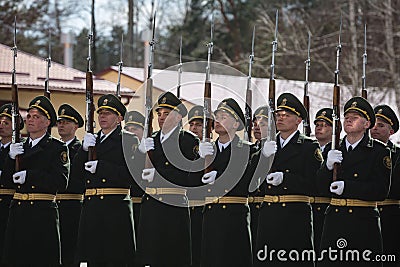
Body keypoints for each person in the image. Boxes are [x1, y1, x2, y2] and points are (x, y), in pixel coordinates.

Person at [317, 97, 391, 267]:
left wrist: (348, 187)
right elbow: (319, 187)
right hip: (334, 221)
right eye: (346, 116)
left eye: (355, 116)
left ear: (367, 124)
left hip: (362, 223)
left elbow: (380, 190)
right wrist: (326, 167)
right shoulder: (333, 148)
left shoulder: (378, 151)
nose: (348, 119)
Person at [253, 93, 322, 267]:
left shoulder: (308, 146)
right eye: (278, 115)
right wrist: (261, 156)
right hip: (268, 215)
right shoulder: (267, 145)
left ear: (298, 120)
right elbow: (250, 180)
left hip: (294, 216)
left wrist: (286, 179)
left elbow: (315, 184)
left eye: (287, 115)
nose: (281, 118)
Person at [1, 95, 69, 267]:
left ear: (47, 123)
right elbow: (6, 181)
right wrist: (9, 158)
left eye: (36, 117)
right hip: (18, 212)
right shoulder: (19, 146)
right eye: (29, 116)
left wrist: (29, 176)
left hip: (41, 213)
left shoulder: (56, 147)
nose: (30, 120)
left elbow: (61, 181)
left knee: (40, 259)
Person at [136, 91, 202, 267]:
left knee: (172, 258)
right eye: (159, 114)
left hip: (173, 207)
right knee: (149, 259)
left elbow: (191, 177)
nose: (161, 117)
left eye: (167, 113)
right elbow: (133, 175)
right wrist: (140, 154)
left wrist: (158, 175)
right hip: (150, 205)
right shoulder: (151, 140)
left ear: (179, 116)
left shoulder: (187, 141)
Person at [74, 94, 138, 266]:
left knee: (115, 257)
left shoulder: (128, 140)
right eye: (100, 112)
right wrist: (83, 149)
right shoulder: (91, 140)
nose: (102, 116)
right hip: (92, 207)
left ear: (119, 118)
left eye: (108, 113)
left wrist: (101, 167)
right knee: (94, 258)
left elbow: (132, 175)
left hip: (115, 208)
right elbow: (75, 175)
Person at [199, 98, 259, 267]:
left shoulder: (246, 149)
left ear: (235, 124)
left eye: (223, 117)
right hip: (211, 216)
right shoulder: (208, 149)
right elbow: (190, 183)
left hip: (234, 216)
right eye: (216, 116)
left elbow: (247, 181)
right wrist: (199, 159)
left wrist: (218, 177)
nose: (217, 120)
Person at [370, 104, 400, 267]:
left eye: (381, 125)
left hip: (390, 217)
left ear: (391, 131)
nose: (375, 129)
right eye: (373, 124)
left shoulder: (397, 155)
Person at [56, 103, 85, 267]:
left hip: (72, 206)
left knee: (70, 252)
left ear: (75, 126)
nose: (61, 125)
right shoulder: (53, 147)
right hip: (52, 205)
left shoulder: (80, 149)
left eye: (66, 122)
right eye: (59, 121)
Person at [0, 104, 23, 265]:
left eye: (6, 123)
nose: (1, 125)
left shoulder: (21, 148)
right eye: (0, 122)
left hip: (10, 202)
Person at [248, 105, 270, 260]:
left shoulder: (276, 150)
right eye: (255, 124)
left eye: (262, 124)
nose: (256, 127)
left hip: (267, 208)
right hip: (249, 209)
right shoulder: (247, 149)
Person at [312, 107, 334, 252]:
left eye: (325, 125)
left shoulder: (337, 149)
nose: (320, 128)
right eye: (318, 125)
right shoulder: (308, 147)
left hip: (328, 208)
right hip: (309, 208)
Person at [187, 104, 204, 267]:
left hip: (203, 210)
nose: (194, 128)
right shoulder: (183, 148)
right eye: (191, 124)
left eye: (198, 124)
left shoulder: (213, 149)